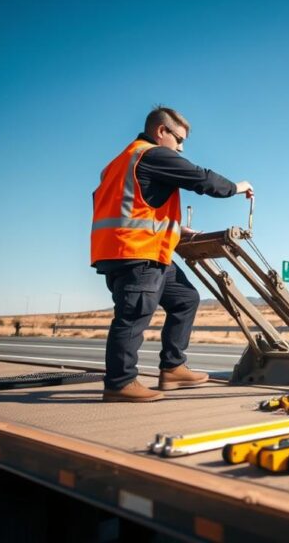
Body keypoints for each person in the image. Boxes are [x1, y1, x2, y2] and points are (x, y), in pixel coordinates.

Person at [91, 106, 253, 402]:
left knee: (185, 299)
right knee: (133, 315)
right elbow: (201, 179)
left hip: (134, 250)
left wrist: (177, 231)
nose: (180, 147)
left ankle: (173, 367)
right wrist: (238, 187)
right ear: (161, 132)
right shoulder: (150, 154)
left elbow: (135, 207)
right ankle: (119, 383)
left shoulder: (118, 163)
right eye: (178, 139)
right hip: (137, 253)